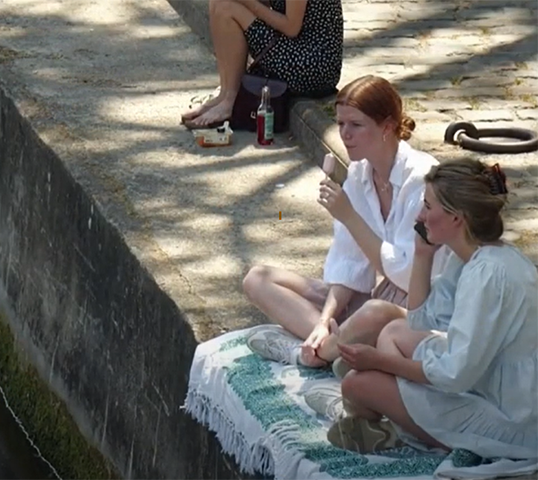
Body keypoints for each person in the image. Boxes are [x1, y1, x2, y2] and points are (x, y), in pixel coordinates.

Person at [327, 159, 538, 460]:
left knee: (356, 384)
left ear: (456, 218)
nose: (419, 215)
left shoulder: (488, 274)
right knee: (395, 330)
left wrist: (382, 362)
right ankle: (395, 419)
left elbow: (455, 375)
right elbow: (419, 319)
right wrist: (422, 255)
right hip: (488, 383)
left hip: (515, 418)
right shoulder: (473, 255)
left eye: (428, 206)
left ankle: (405, 430)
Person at [243, 75, 448, 371]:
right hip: (376, 296)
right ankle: (330, 343)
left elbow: (407, 274)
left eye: (355, 125)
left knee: (372, 314)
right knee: (257, 279)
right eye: (340, 124)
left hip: (417, 307)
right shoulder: (360, 172)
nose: (345, 134)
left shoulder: (420, 179)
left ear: (387, 127)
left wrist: (349, 216)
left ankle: (309, 354)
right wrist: (325, 320)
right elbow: (348, 264)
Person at [181, 0, 343, 129]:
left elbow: (291, 27)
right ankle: (225, 94)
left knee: (228, 8)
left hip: (313, 64)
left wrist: (249, 3)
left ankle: (231, 100)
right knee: (219, 2)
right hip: (296, 47)